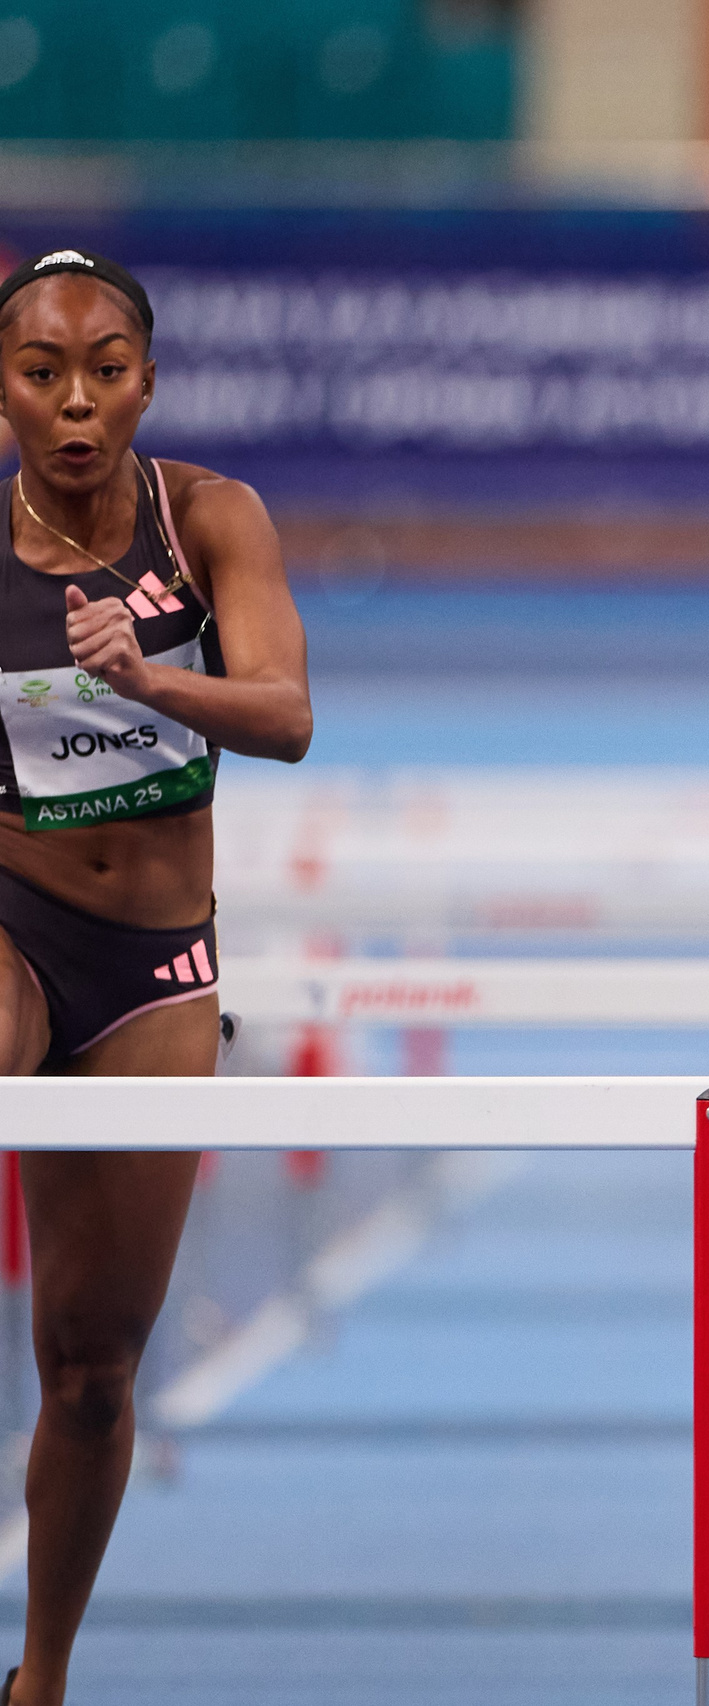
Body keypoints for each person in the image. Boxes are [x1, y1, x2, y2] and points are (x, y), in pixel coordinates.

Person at [0, 249, 312, 1706]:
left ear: (147, 383)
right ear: (4, 390)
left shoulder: (209, 519)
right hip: (14, 919)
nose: (75, 402)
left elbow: (287, 714)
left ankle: (42, 1680)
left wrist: (145, 678)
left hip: (157, 966)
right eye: (41, 372)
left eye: (105, 370)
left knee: (91, 1366)